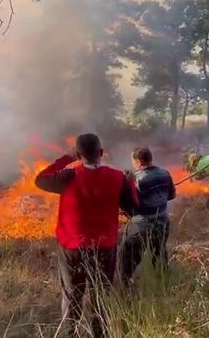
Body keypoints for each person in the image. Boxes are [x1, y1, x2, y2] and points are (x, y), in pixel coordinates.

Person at [35, 133, 137, 338]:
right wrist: (131, 183)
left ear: (79, 155)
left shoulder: (68, 176)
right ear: (101, 153)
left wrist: (67, 158)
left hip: (71, 247)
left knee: (72, 295)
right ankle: (100, 334)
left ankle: (70, 333)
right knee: (101, 295)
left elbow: (40, 180)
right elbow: (132, 210)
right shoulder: (118, 177)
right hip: (105, 247)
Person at [120, 147, 175, 287]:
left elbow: (128, 207)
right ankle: (164, 284)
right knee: (159, 252)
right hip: (163, 221)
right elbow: (171, 196)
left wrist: (127, 183)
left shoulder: (136, 179)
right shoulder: (164, 173)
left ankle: (125, 285)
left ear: (138, 162)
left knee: (129, 255)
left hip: (141, 225)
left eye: (133, 161)